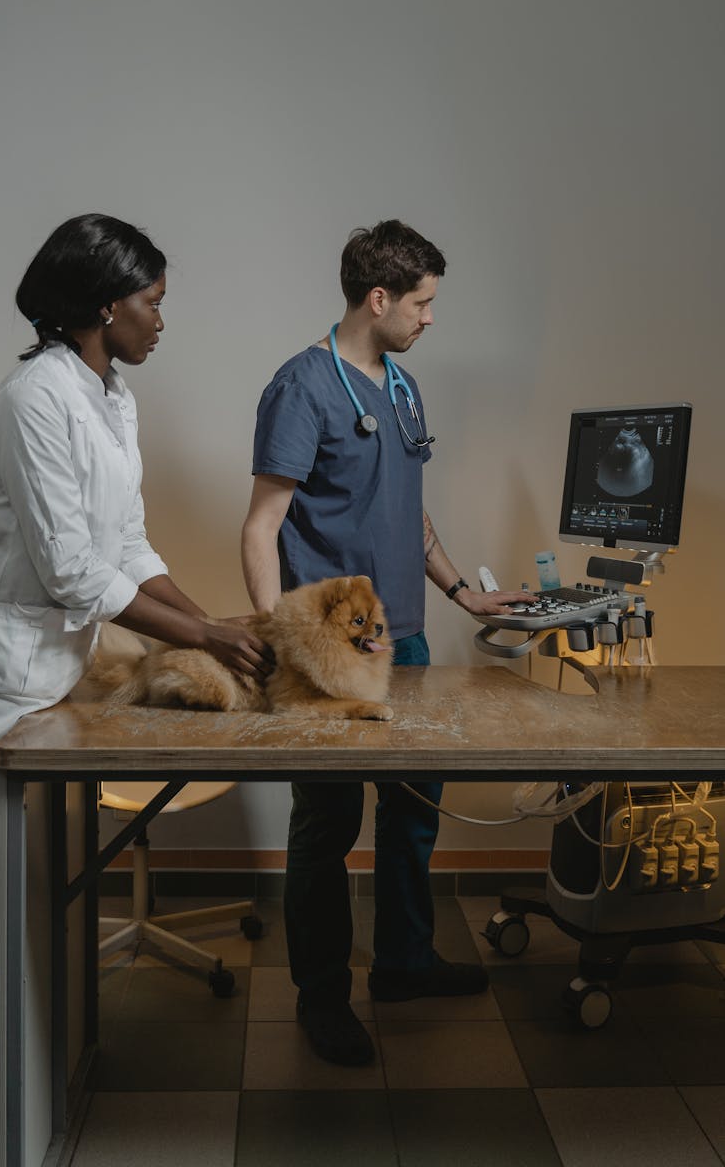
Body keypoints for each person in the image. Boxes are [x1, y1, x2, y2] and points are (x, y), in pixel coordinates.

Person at [0, 213, 272, 1165]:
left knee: (15, 894)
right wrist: (205, 633)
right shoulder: (34, 397)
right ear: (102, 302)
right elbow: (76, 573)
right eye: (152, 302)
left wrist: (214, 634)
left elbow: (128, 547)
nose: (162, 320)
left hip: (51, 675)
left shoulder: (109, 395)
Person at [241, 219, 531, 1067]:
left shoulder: (401, 389)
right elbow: (262, 529)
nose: (430, 318)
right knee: (326, 824)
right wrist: (280, 640)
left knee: (413, 812)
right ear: (379, 299)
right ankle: (322, 995)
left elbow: (411, 508)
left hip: (404, 639)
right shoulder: (301, 388)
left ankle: (403, 963)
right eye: (422, 303)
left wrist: (463, 593)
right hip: (331, 658)